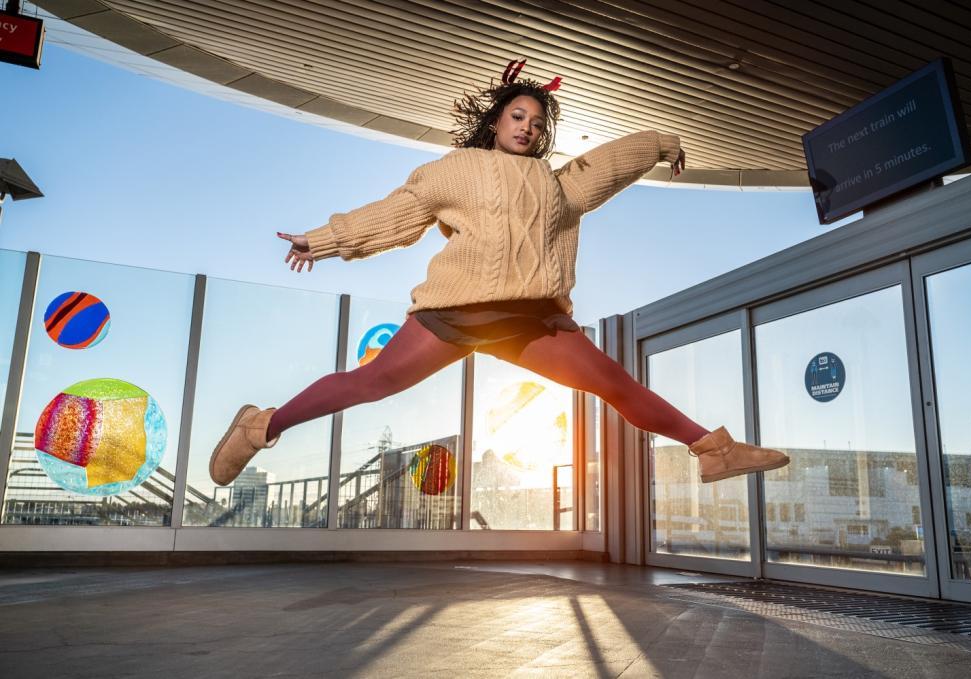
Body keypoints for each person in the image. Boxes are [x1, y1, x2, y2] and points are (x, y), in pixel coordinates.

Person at [209, 58, 789, 488]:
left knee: (614, 383)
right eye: (518, 116)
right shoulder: (457, 169)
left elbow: (607, 164)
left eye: (537, 123)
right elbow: (398, 213)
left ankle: (713, 449)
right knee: (371, 384)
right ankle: (261, 426)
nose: (527, 128)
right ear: (496, 122)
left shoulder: (557, 184)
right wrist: (325, 239)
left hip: (530, 320)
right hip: (458, 311)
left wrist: (661, 142)